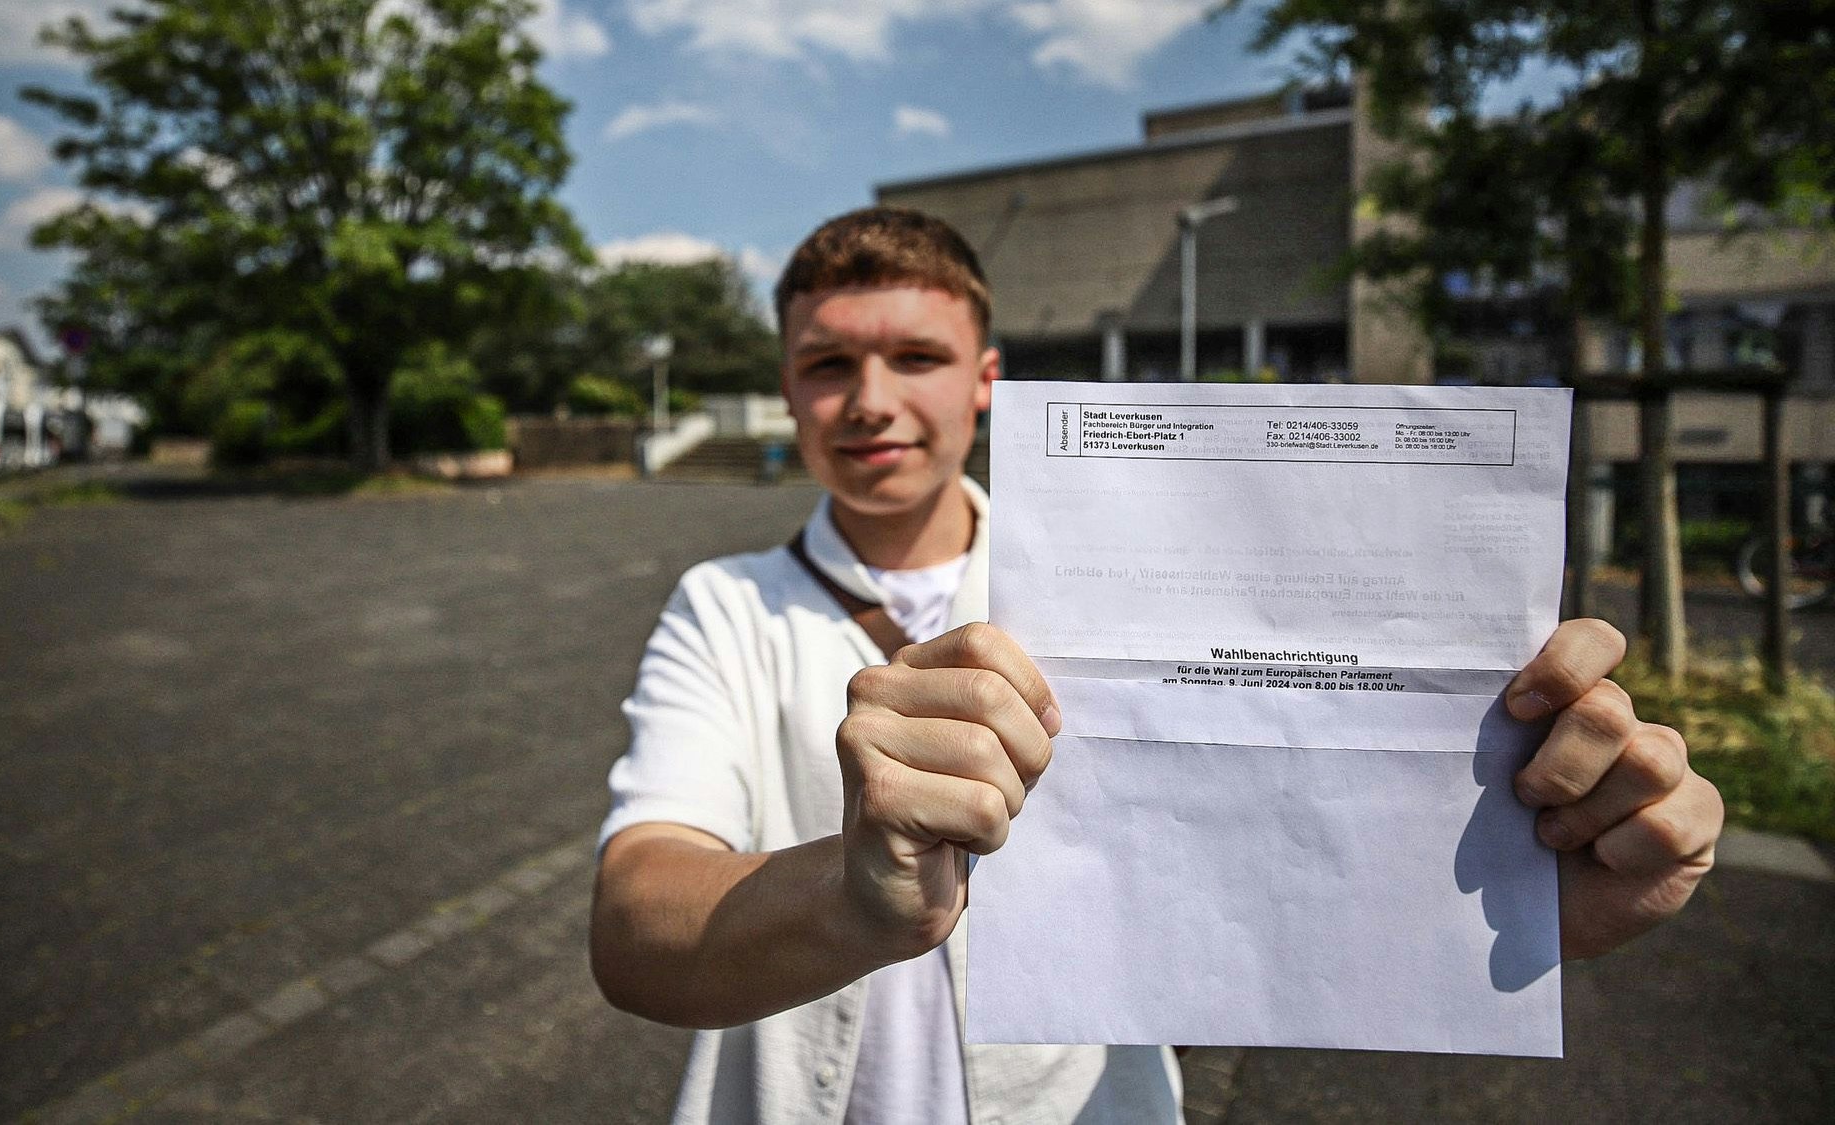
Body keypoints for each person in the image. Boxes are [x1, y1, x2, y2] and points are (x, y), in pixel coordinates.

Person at [589, 207, 1725, 1124]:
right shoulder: (723, 607)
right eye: (828, 363)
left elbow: (1274, 840)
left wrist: (1512, 894)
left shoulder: (1121, 579)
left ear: (982, 377)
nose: (871, 401)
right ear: (787, 388)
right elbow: (635, 922)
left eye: (915, 357)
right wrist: (850, 900)